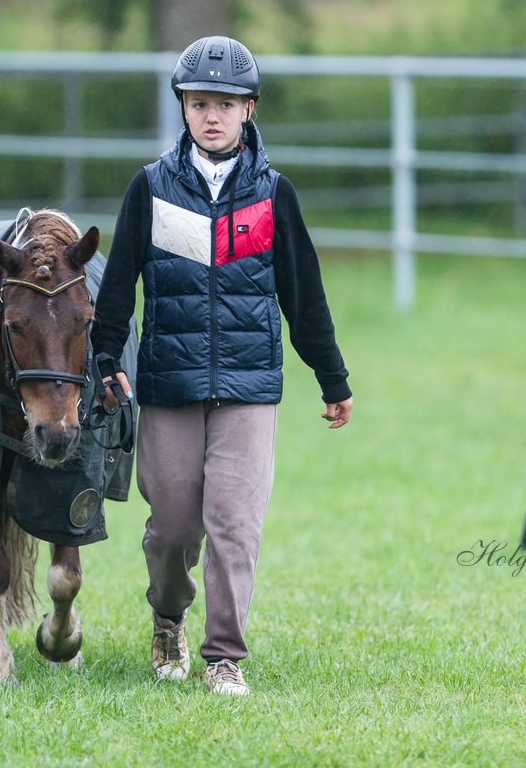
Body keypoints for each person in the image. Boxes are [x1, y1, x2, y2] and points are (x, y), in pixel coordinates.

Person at [92, 35, 353, 696]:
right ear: (182, 107)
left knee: (234, 525)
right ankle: (166, 618)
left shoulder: (274, 196)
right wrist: (103, 359)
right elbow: (120, 284)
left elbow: (303, 293)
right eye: (199, 103)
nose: (212, 115)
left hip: (248, 385)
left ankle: (223, 657)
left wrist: (332, 378)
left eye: (226, 105)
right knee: (174, 527)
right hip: (171, 385)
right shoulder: (150, 188)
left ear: (249, 110)